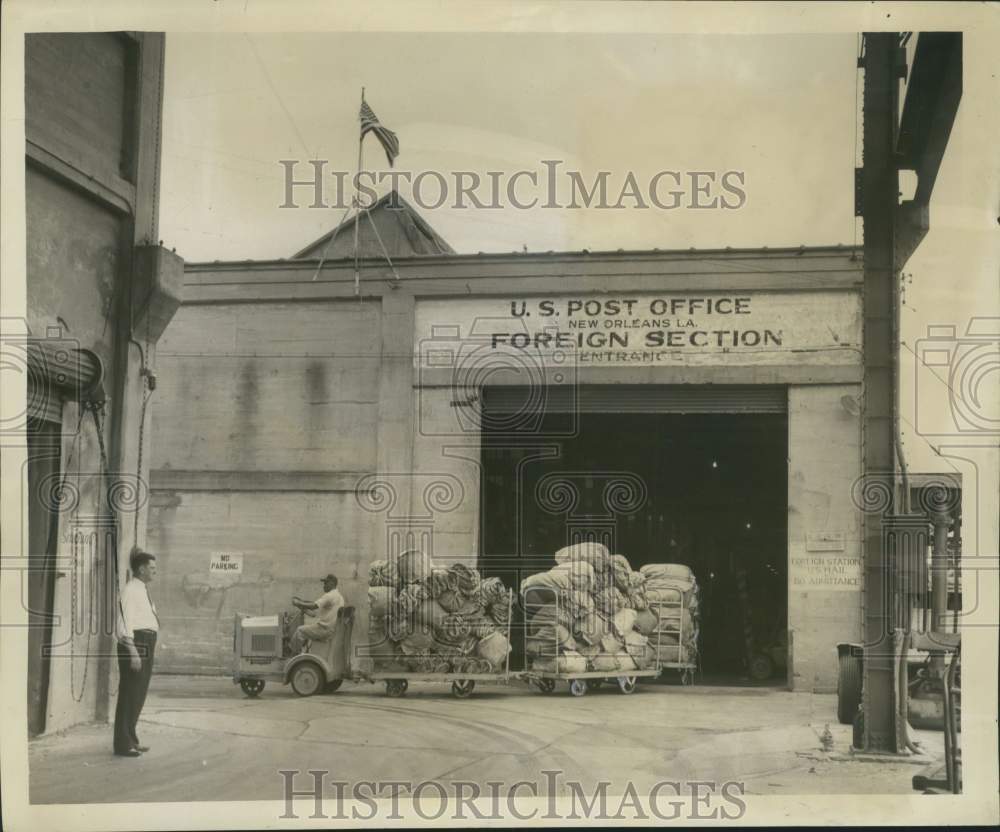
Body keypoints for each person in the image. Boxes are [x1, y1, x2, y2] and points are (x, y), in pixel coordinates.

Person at [113, 548, 159, 757]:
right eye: (152, 568)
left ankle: (131, 739)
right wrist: (133, 652)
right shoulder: (131, 590)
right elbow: (124, 623)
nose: (155, 571)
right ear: (141, 569)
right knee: (130, 693)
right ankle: (123, 745)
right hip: (136, 643)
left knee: (138, 694)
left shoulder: (141, 588)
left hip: (145, 642)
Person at [289, 573, 344, 654]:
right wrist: (303, 605)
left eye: (326, 583)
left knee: (300, 630)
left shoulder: (330, 595)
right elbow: (315, 606)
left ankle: (293, 655)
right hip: (332, 629)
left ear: (332, 583)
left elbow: (314, 606)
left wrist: (298, 603)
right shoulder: (339, 596)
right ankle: (304, 652)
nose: (324, 586)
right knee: (309, 625)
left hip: (325, 629)